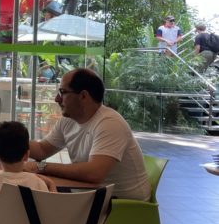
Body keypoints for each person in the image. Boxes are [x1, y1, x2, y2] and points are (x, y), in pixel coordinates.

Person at [24, 68, 151, 201]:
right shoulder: (68, 120)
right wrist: (10, 141)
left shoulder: (110, 123)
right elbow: (42, 150)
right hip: (92, 195)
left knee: (35, 203)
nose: (57, 99)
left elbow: (94, 173)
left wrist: (41, 167)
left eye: (62, 92)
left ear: (83, 96)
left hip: (122, 204)